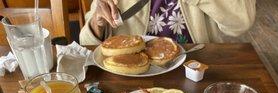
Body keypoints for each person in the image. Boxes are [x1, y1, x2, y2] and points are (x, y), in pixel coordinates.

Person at [80, 0, 256, 45]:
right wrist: (97, 23)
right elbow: (86, 43)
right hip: (133, 75)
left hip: (196, 70)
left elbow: (242, 21)